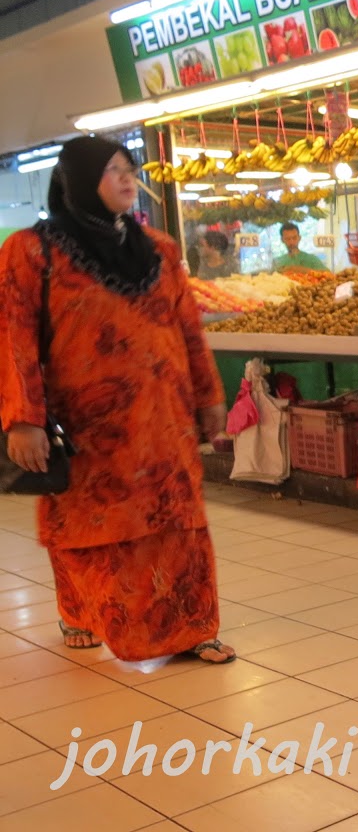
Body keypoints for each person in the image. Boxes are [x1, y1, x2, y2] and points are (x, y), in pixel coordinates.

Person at [0, 136, 235, 664]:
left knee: (178, 520)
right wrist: (23, 419)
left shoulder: (162, 249)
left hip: (164, 419)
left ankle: (193, 627)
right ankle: (82, 612)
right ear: (79, 181)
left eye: (129, 168)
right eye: (111, 171)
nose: (126, 179)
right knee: (93, 527)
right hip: (88, 427)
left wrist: (207, 394)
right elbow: (12, 337)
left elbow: (188, 329)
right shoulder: (31, 251)